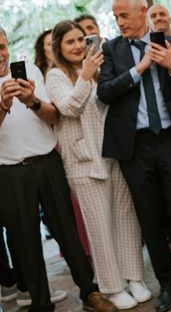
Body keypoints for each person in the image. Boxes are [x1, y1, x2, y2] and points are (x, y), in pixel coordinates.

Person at [97, 0, 171, 312]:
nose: (118, 22)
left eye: (124, 15)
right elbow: (104, 92)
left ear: (143, 11)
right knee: (150, 217)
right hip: (136, 145)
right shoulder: (112, 49)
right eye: (115, 16)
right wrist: (140, 68)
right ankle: (166, 283)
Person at [0, 26, 115, 312]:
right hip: (10, 172)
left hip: (47, 161)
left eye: (2, 45)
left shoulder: (30, 70)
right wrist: (3, 105)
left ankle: (89, 292)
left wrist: (31, 101)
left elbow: (53, 116)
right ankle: (40, 304)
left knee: (68, 231)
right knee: (26, 242)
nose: (0, 53)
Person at [46, 21, 150, 308]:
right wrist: (85, 77)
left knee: (126, 219)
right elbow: (68, 108)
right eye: (70, 42)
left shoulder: (102, 67)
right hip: (82, 161)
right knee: (100, 227)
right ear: (59, 47)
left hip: (113, 153)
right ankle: (112, 286)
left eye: (81, 39)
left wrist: (95, 73)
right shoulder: (55, 76)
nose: (78, 46)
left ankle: (135, 277)